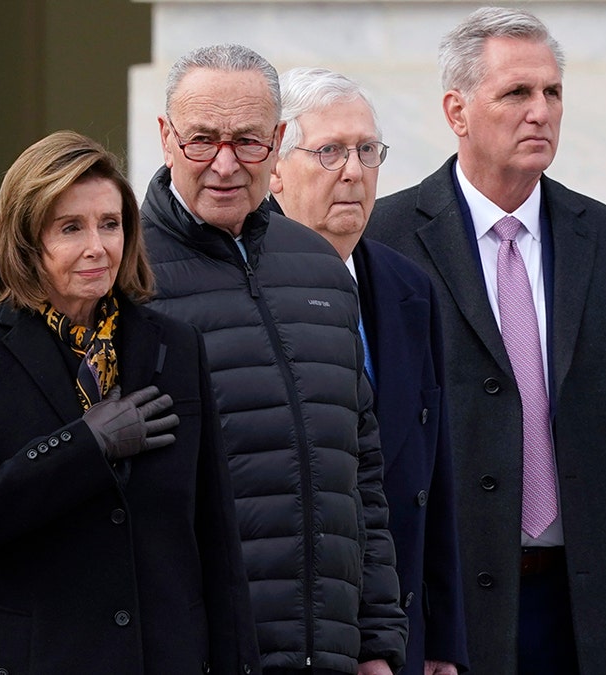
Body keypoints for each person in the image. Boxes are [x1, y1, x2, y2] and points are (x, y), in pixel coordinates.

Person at [366, 7, 606, 675]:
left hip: (584, 598)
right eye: (516, 93)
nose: (539, 111)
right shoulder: (385, 239)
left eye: (552, 92)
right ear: (457, 111)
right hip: (447, 603)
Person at [0, 130, 259, 674]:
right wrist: (86, 445)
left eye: (111, 224)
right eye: (70, 228)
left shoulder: (175, 346)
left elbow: (215, 535)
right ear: (27, 240)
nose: (97, 247)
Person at [139, 44, 407, 675]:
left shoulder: (322, 269)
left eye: (250, 142)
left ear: (279, 139)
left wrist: (376, 645)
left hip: (330, 654)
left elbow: (361, 476)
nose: (226, 164)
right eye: (202, 140)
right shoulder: (126, 277)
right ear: (165, 138)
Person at [268, 67, 469, 675]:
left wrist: (443, 641)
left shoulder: (408, 287)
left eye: (366, 151)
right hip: (293, 632)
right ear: (274, 167)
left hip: (401, 631)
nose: (353, 171)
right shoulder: (242, 290)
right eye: (328, 151)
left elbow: (434, 475)